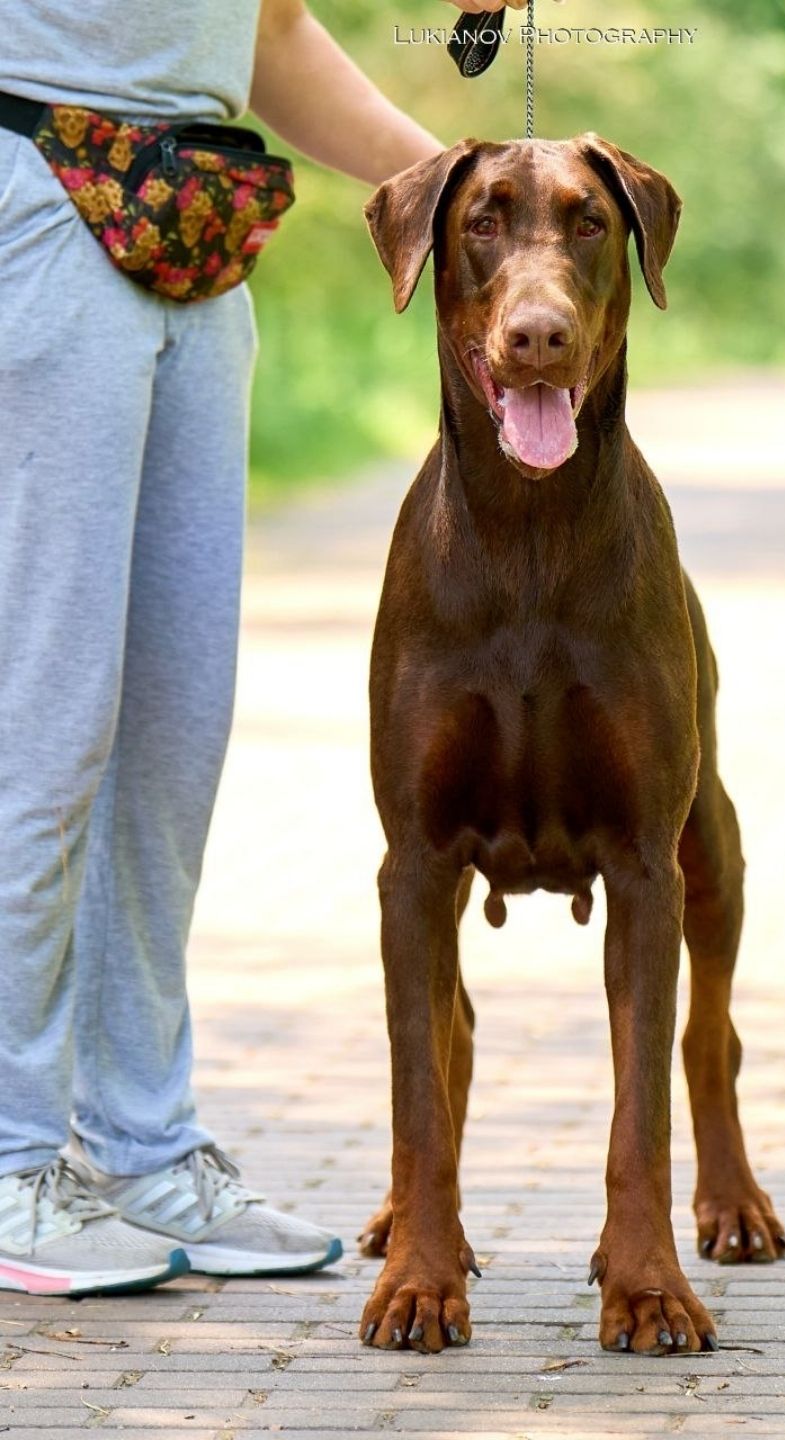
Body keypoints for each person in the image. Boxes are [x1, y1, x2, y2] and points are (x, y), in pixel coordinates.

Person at [0, 0, 523, 1297]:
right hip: (32, 195)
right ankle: (10, 1162)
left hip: (188, 212)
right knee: (46, 718)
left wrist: (462, 197)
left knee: (176, 726)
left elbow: (272, 31)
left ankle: (140, 1148)